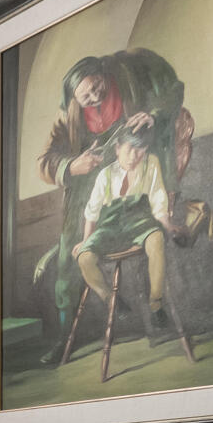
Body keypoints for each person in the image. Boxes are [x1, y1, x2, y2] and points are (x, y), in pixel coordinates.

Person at [37, 49, 190, 324]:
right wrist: (72, 166)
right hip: (98, 208)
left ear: (101, 73)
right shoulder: (70, 121)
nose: (96, 97)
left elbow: (172, 88)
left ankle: (157, 305)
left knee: (153, 239)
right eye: (86, 97)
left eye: (98, 87)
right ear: (75, 99)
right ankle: (88, 315)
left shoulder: (130, 76)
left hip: (138, 206)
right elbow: (86, 205)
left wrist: (154, 115)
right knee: (72, 256)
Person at [73, 128, 179, 329]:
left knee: (156, 238)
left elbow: (158, 199)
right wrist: (86, 240)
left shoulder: (151, 164)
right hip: (111, 227)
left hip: (141, 222)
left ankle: (156, 303)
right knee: (84, 257)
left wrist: (167, 225)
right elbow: (92, 212)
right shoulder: (105, 175)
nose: (134, 157)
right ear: (117, 148)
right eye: (130, 149)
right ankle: (112, 301)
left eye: (141, 151)